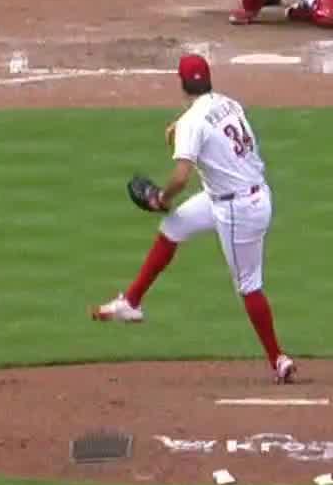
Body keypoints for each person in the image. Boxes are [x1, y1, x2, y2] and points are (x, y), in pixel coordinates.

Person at [92, 55, 297, 385]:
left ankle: (278, 359)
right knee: (173, 227)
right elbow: (208, 125)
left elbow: (181, 176)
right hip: (238, 195)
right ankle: (131, 302)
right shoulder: (228, 102)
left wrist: (162, 198)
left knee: (249, 286)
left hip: (237, 210)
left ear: (182, 84)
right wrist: (179, 126)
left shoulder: (192, 123)